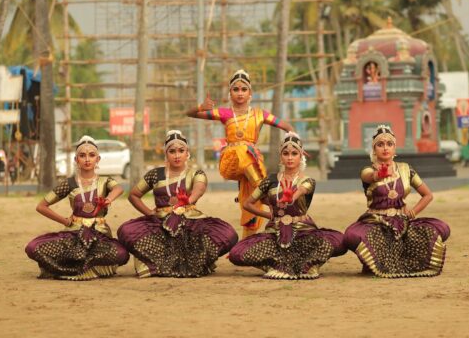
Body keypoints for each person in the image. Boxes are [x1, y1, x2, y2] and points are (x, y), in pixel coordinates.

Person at [186, 69, 294, 239]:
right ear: (230, 93)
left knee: (251, 205)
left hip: (253, 162)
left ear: (250, 92)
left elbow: (287, 127)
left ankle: (245, 244)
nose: (240, 93)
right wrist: (201, 107)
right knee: (243, 149)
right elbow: (190, 113)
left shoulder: (259, 114)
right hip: (231, 161)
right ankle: (264, 190)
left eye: (244, 89)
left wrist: (291, 141)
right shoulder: (225, 113)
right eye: (236, 89)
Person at [117, 130, 238, 278]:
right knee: (125, 230)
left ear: (187, 153)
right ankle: (158, 263)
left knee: (228, 234)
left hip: (190, 221)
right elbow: (134, 195)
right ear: (166, 154)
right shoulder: (155, 174)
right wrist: (149, 213)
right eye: (172, 151)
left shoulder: (195, 173)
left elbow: (199, 188)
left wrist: (189, 200)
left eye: (181, 151)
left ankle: (196, 262)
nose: (177, 155)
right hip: (160, 223)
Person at [229, 132, 345, 279]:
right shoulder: (270, 180)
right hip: (275, 232)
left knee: (340, 241)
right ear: (281, 156)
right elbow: (247, 203)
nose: (290, 157)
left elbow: (303, 189)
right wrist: (270, 215)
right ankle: (276, 265)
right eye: (286, 153)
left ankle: (303, 265)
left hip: (303, 232)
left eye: (294, 153)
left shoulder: (307, 180)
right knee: (236, 253)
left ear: (301, 156)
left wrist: (291, 197)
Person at [343, 125, 450, 278]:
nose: (385, 148)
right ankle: (374, 262)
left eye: (389, 144)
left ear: (394, 148)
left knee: (441, 228)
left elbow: (428, 195)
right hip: (376, 221)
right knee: (352, 235)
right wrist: (380, 174)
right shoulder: (368, 170)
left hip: (402, 221)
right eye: (380, 145)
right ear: (374, 149)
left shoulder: (406, 169)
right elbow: (369, 177)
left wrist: (413, 212)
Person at [25, 136, 129, 280]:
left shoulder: (105, 181)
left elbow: (119, 188)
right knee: (32, 247)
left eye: (92, 155)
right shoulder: (69, 183)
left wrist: (108, 199)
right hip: (74, 233)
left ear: (98, 159)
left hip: (99, 234)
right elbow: (41, 206)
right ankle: (84, 266)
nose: (87, 159)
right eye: (82, 155)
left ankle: (78, 264)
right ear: (76, 160)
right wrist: (65, 221)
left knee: (122, 254)